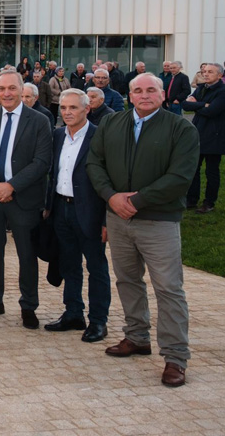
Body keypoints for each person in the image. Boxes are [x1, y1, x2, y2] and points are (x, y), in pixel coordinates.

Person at [86, 73, 199, 387]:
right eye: (138, 90)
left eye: (151, 90)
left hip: (159, 220)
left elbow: (180, 176)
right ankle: (136, 337)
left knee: (168, 289)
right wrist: (111, 196)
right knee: (127, 280)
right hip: (118, 220)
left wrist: (137, 200)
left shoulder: (181, 128)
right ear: (129, 95)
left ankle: (176, 357)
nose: (144, 95)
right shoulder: (111, 124)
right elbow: (94, 163)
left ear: (162, 95)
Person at [0, 70, 53, 329]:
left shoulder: (39, 120)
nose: (6, 93)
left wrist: (12, 186)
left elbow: (42, 162)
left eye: (12, 89)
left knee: (26, 254)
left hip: (24, 198)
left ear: (21, 90)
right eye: (2, 89)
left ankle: (28, 305)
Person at [43, 89, 109, 343]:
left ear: (86, 109)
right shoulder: (58, 135)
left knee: (96, 267)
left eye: (73, 108)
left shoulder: (99, 136)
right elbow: (53, 171)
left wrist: (106, 220)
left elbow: (109, 176)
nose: (67, 112)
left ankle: (98, 320)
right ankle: (73, 313)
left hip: (90, 211)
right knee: (69, 264)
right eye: (63, 108)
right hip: (61, 209)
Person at [181, 62, 225, 213]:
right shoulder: (200, 88)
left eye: (210, 72)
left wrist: (198, 105)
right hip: (197, 134)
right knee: (194, 169)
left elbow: (212, 111)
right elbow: (185, 105)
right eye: (204, 71)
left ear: (220, 75)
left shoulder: (222, 91)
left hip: (215, 136)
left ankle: (209, 203)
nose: (205, 74)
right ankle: (192, 200)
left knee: (211, 172)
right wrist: (203, 105)